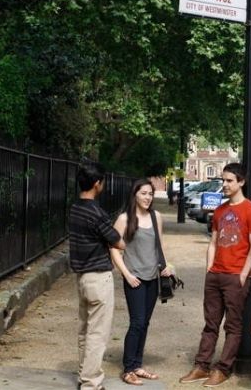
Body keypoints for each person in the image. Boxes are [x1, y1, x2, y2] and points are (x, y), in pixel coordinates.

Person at [179, 163, 251, 387]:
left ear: (241, 182)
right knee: (210, 324)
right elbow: (214, 241)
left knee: (233, 326)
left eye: (229, 181)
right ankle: (202, 366)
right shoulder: (220, 210)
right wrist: (209, 267)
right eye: (223, 180)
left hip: (236, 275)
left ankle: (223, 368)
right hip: (215, 274)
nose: (224, 184)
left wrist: (244, 274)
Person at [68, 163, 126, 390]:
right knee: (97, 333)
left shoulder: (75, 208)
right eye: (102, 182)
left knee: (84, 330)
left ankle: (84, 375)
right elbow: (118, 241)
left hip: (81, 277)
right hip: (98, 277)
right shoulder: (96, 212)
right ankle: (91, 383)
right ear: (96, 184)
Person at [110, 179, 172, 385]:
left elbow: (160, 246)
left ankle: (137, 364)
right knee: (136, 323)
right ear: (135, 194)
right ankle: (128, 368)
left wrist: (166, 266)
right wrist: (126, 274)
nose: (148, 197)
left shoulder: (157, 217)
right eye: (144, 193)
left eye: (150, 194)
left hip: (152, 278)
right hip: (134, 278)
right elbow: (114, 249)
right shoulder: (124, 219)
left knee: (145, 323)